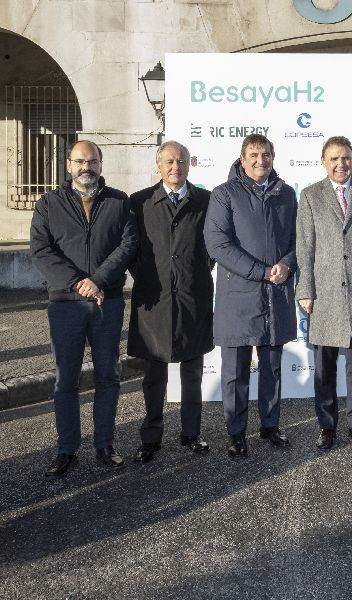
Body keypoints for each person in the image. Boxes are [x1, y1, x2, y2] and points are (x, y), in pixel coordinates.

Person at [30, 140, 138, 476]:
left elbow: (128, 245)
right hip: (65, 304)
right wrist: (79, 283)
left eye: (91, 161)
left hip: (108, 301)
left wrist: (99, 280)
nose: (85, 167)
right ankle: (67, 450)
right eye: (79, 161)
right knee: (66, 380)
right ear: (68, 165)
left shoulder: (119, 201)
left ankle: (105, 445)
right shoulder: (49, 203)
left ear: (101, 164)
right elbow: (41, 250)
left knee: (108, 376)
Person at [204, 134, 297, 458]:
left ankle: (270, 425)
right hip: (238, 298)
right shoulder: (224, 194)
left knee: (272, 367)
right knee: (235, 372)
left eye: (266, 154)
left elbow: (298, 239)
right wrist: (261, 271)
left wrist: (287, 264)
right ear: (242, 160)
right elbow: (217, 244)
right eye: (254, 155)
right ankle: (236, 432)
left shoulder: (286, 194)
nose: (261, 160)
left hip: (275, 295)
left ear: (273, 157)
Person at [128, 140, 214, 462]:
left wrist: (192, 274)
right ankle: (151, 438)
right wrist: (150, 277)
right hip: (154, 301)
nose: (175, 167)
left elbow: (212, 247)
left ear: (190, 165)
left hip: (193, 299)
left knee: (192, 373)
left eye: (181, 161)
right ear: (158, 166)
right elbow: (131, 249)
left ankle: (191, 433)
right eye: (169, 161)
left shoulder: (205, 200)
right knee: (153, 377)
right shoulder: (140, 201)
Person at [296, 136, 352, 450]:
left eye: (345, 157)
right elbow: (304, 247)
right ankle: (327, 425)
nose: (340, 164)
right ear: (324, 161)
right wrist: (305, 290)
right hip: (324, 297)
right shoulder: (310, 196)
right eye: (334, 158)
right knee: (325, 369)